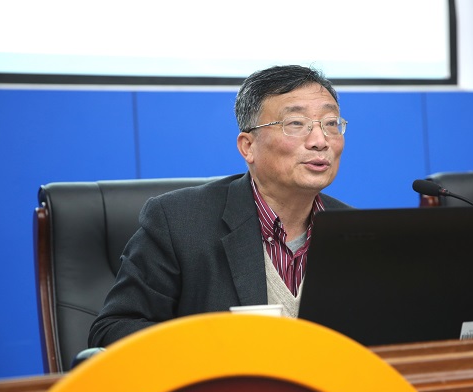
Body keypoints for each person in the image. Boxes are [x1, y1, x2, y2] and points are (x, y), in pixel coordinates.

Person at [88, 65, 351, 347]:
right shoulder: (178, 222)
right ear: (248, 146)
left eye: (330, 124)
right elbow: (112, 330)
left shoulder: (354, 231)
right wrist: (214, 347)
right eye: (296, 124)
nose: (320, 141)